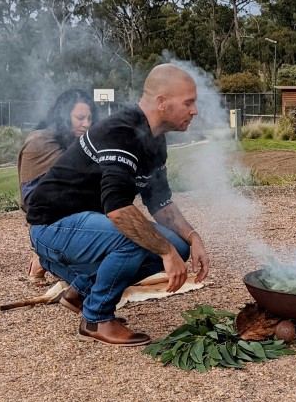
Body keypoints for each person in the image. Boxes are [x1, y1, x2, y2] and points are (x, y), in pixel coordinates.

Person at [26, 64, 210, 347]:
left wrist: (192, 238)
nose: (194, 110)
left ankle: (80, 293)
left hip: (85, 226)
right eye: (189, 102)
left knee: (180, 246)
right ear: (162, 102)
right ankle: (96, 317)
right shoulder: (121, 133)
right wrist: (165, 251)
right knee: (137, 238)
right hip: (52, 226)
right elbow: (118, 210)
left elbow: (160, 203)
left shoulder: (155, 140)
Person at [18, 89, 97, 285]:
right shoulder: (40, 143)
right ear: (63, 115)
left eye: (89, 118)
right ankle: (43, 257)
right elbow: (32, 198)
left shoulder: (78, 142)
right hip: (45, 215)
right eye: (80, 118)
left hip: (70, 208)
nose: (86, 124)